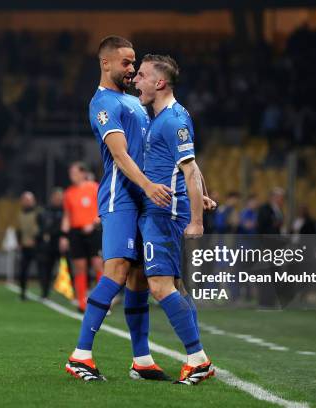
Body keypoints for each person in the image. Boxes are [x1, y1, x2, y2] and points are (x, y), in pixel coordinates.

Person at [66, 36, 173, 382]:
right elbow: (120, 155)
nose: (132, 69)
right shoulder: (103, 104)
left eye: (134, 63)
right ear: (106, 63)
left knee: (139, 280)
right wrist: (146, 186)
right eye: (126, 63)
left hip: (143, 200)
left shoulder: (134, 103)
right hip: (120, 198)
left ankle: (141, 359)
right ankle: (81, 355)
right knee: (115, 272)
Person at [133, 54, 214, 385]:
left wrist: (197, 220)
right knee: (173, 287)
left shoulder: (172, 120)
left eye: (141, 75)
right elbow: (189, 166)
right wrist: (202, 193)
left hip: (166, 214)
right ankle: (196, 359)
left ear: (159, 82)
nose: (136, 80)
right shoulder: (164, 117)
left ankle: (197, 359)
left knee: (160, 287)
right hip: (161, 210)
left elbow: (190, 169)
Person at [60, 162, 103, 312]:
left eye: (75, 172)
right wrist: (64, 236)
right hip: (76, 233)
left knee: (98, 264)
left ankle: (102, 302)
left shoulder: (94, 187)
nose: (72, 175)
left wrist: (93, 223)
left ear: (83, 173)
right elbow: (67, 216)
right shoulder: (68, 193)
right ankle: (82, 302)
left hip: (94, 231)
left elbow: (102, 209)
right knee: (79, 267)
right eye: (70, 173)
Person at [37, 187, 65, 299]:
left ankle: (72, 293)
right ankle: (44, 292)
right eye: (56, 197)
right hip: (48, 245)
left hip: (62, 242)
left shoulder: (65, 210)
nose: (58, 199)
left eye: (60, 197)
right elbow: (40, 225)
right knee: (46, 269)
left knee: (66, 268)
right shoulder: (45, 211)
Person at [16, 191, 42, 300]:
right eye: (25, 200)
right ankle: (22, 293)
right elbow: (18, 230)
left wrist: (37, 241)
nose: (27, 202)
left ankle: (44, 293)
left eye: (29, 200)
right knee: (22, 271)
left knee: (42, 270)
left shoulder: (38, 213)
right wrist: (19, 243)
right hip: (25, 247)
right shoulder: (20, 214)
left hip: (37, 246)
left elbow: (42, 229)